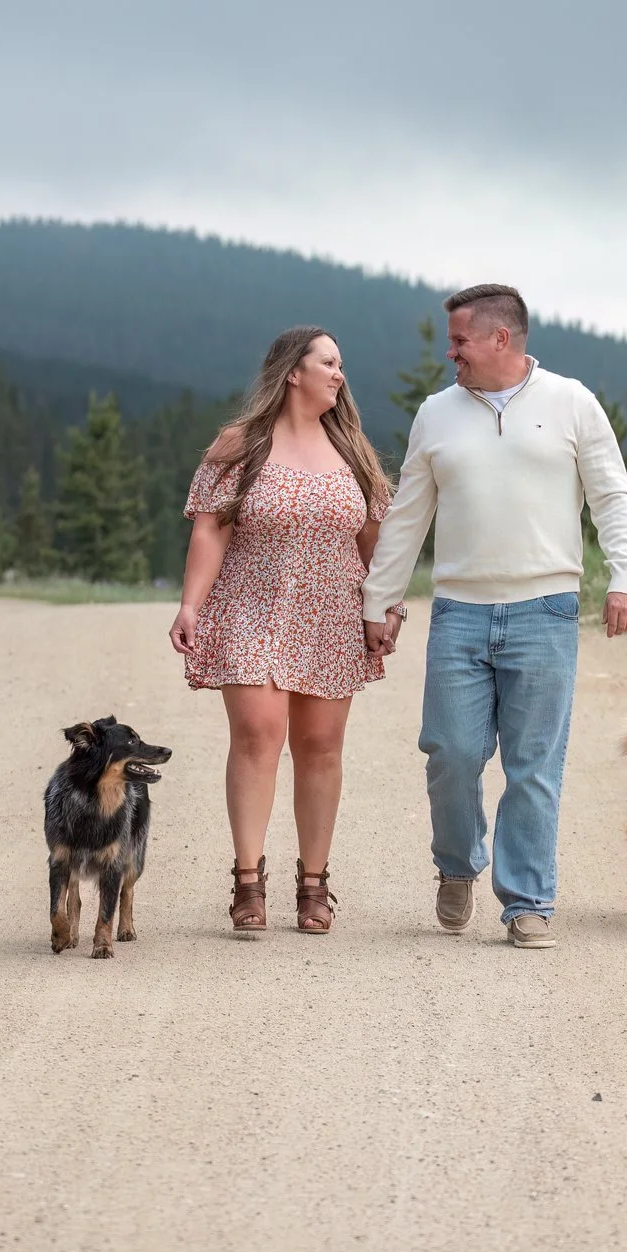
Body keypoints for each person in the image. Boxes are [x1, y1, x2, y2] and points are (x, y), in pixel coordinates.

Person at [362, 283, 627, 948]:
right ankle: (457, 864)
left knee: (533, 764)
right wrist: (380, 599)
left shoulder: (572, 403)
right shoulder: (437, 414)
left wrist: (625, 577)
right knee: (452, 754)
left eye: (459, 341)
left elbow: (612, 496)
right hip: (459, 611)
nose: (450, 354)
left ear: (500, 339)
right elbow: (407, 516)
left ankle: (527, 901)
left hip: (545, 609)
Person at [171, 327, 392, 935]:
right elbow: (211, 529)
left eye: (341, 364)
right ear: (293, 371)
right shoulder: (240, 445)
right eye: (328, 362)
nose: (339, 373)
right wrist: (191, 605)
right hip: (250, 607)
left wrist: (386, 608)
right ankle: (248, 881)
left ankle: (314, 885)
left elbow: (376, 541)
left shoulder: (352, 449)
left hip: (330, 615)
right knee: (257, 735)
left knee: (320, 747)